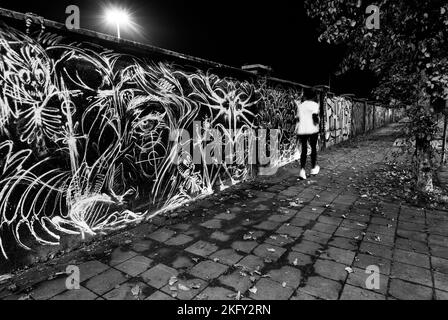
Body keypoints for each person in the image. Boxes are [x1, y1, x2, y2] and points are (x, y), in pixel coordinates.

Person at [294, 90, 320, 180]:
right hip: (312, 130)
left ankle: (302, 171)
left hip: (302, 130)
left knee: (304, 150)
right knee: (313, 148)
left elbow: (298, 119)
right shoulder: (315, 105)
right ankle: (313, 168)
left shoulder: (301, 106)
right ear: (313, 97)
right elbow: (315, 117)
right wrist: (317, 123)